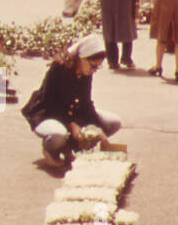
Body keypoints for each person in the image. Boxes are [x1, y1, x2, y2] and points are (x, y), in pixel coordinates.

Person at [21, 35, 120, 168]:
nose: (94, 71)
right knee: (59, 134)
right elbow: (50, 103)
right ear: (82, 58)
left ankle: (74, 147)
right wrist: (71, 124)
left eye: (97, 67)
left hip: (71, 112)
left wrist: (97, 128)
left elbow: (86, 102)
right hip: (47, 113)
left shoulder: (86, 74)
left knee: (113, 122)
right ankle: (51, 150)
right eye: (93, 66)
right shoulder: (59, 68)